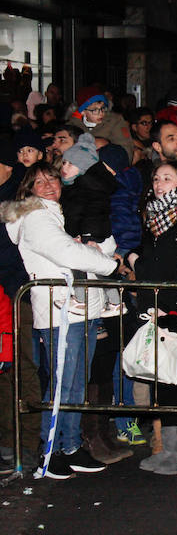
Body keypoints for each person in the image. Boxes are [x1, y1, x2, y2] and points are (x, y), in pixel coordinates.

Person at [1, 162, 117, 479]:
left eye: (52, 178)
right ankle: (50, 450)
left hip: (82, 307)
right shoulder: (35, 216)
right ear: (28, 188)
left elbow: (98, 242)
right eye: (39, 181)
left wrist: (99, 248)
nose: (49, 184)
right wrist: (107, 264)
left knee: (77, 383)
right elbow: (67, 252)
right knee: (64, 383)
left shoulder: (62, 212)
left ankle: (70, 445)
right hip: (59, 310)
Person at [128, 161, 177, 475]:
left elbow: (168, 269)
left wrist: (136, 261)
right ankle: (169, 450)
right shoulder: (153, 218)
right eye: (156, 178)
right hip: (155, 310)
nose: (159, 184)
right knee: (163, 381)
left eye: (167, 178)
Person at [58, 133, 122, 315]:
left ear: (84, 167)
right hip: (91, 233)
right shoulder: (78, 186)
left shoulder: (88, 185)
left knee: (80, 264)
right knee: (101, 268)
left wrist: (87, 236)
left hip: (93, 235)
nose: (65, 167)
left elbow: (93, 212)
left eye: (71, 164)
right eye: (64, 162)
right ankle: (116, 301)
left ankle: (81, 299)